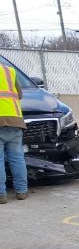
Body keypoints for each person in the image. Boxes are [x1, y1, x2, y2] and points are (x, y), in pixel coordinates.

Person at [0, 61, 28, 204]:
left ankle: (1, 195)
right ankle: (22, 191)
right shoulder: (9, 71)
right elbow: (19, 95)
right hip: (15, 121)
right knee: (17, 159)